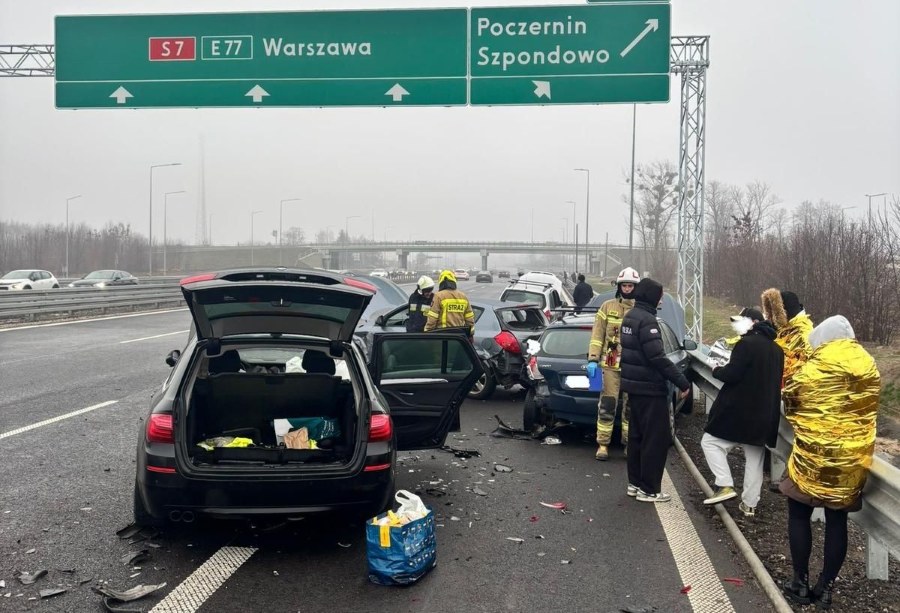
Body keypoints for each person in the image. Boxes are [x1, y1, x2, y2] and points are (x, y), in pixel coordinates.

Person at [779, 315, 880, 609]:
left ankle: (800, 583)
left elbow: (791, 401)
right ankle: (825, 588)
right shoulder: (869, 365)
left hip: (812, 459)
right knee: (838, 522)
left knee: (799, 515)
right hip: (850, 463)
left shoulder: (813, 367)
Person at [701, 307, 784, 517]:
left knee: (710, 443)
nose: (737, 326)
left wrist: (716, 369)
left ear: (753, 322)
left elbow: (732, 374)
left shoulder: (745, 344)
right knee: (755, 459)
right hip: (765, 414)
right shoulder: (777, 350)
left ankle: (724, 484)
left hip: (739, 412)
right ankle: (749, 505)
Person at [619, 278, 691, 502]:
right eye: (660, 296)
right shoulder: (648, 321)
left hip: (634, 387)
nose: (661, 300)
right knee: (655, 440)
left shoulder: (630, 316)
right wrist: (682, 381)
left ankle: (634, 484)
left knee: (636, 437)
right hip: (651, 389)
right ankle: (649, 490)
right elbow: (657, 357)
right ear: (652, 296)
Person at [586, 267, 640, 460]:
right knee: (607, 404)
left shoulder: (641, 310)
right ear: (619, 286)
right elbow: (597, 335)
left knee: (631, 408)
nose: (627, 289)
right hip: (610, 363)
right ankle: (603, 444)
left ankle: (629, 444)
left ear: (635, 287)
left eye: (630, 286)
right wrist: (593, 359)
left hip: (633, 366)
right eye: (624, 285)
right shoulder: (607, 307)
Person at [761, 288, 813, 386]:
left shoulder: (803, 332)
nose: (773, 316)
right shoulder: (785, 329)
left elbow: (806, 362)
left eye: (775, 312)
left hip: (792, 386)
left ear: (784, 311)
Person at [424, 270, 475, 337]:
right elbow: (470, 319)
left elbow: (432, 319)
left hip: (443, 336)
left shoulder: (438, 296)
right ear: (454, 282)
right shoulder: (463, 297)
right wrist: (470, 335)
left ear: (441, 283)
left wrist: (427, 334)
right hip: (459, 337)